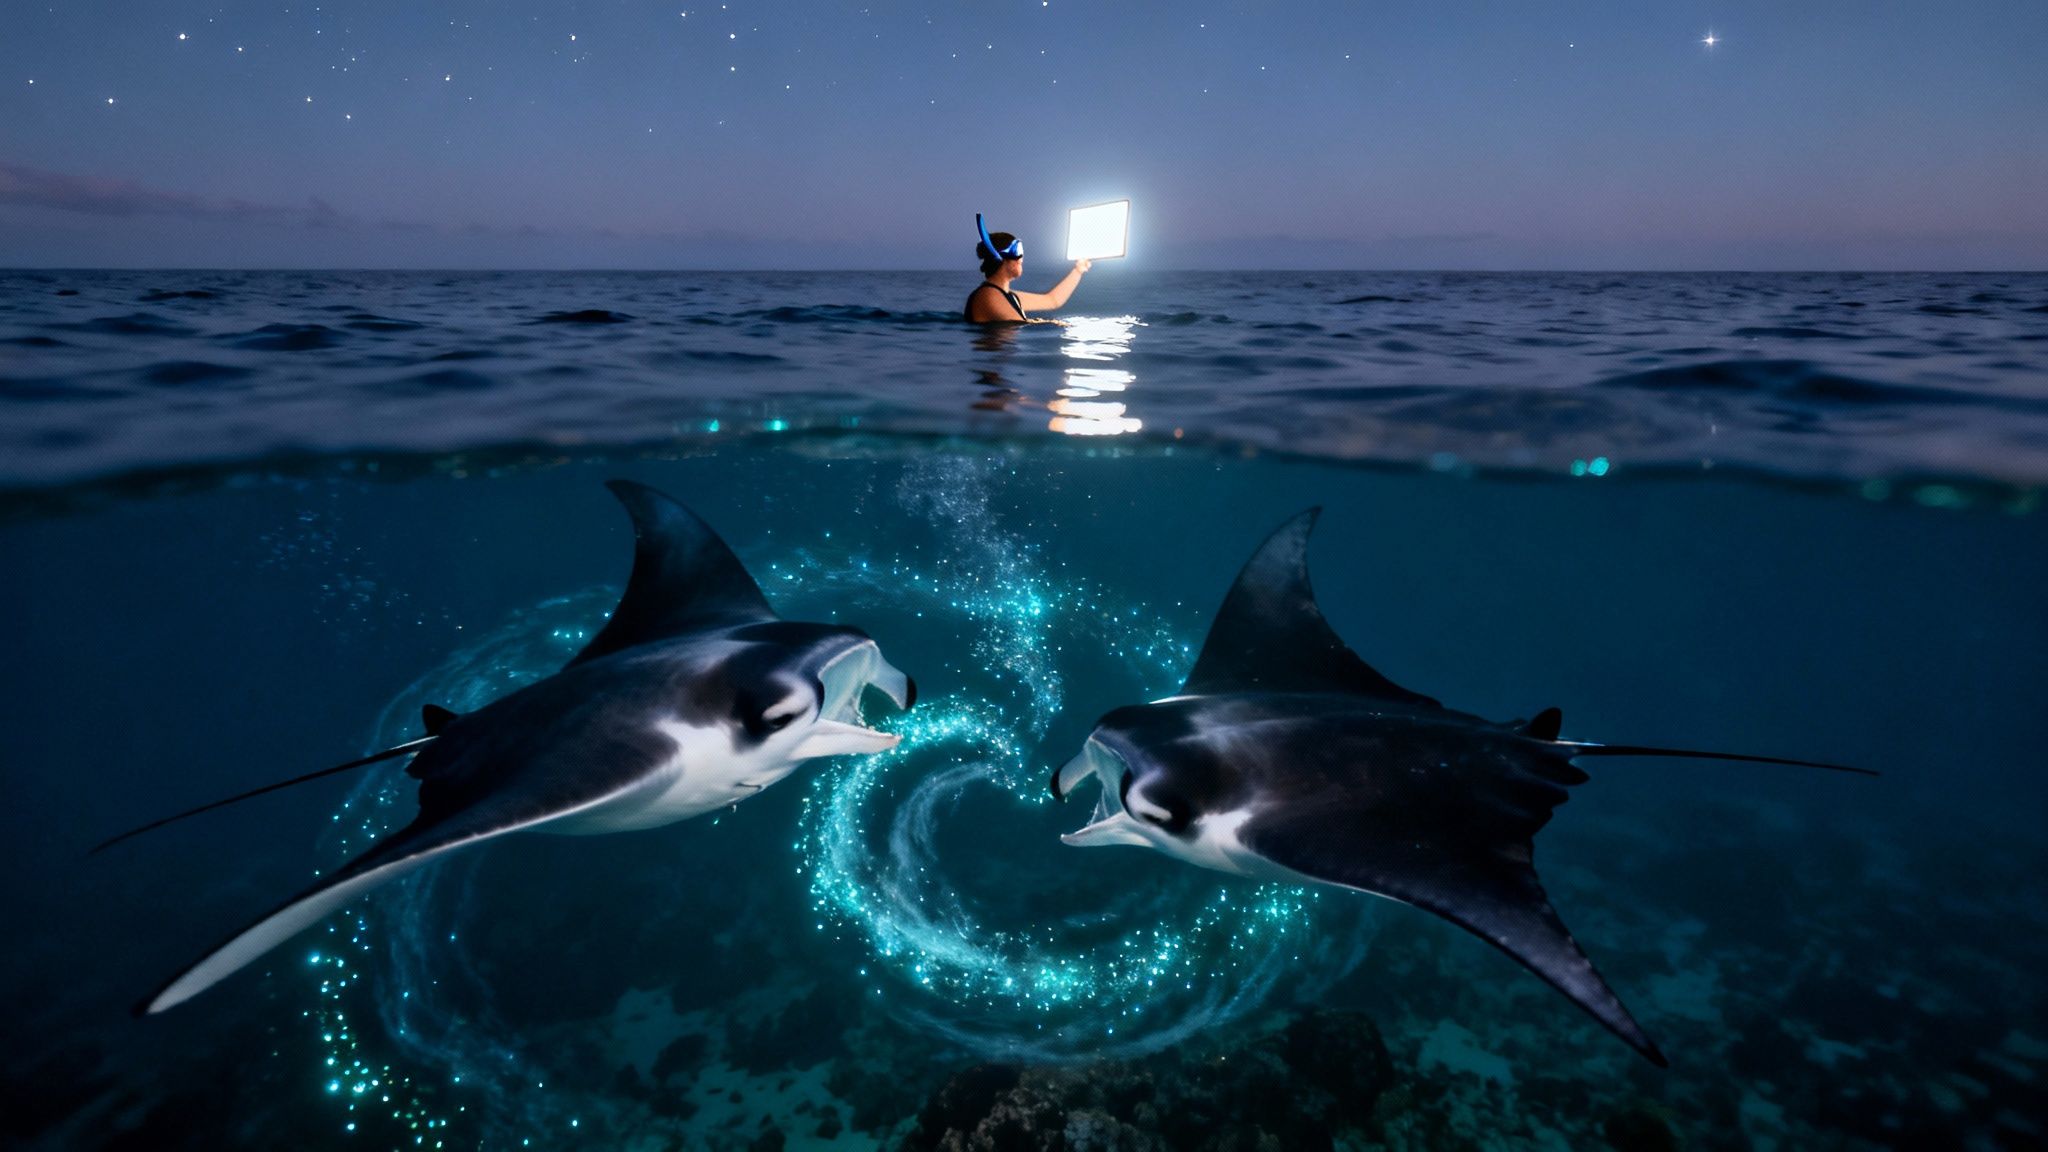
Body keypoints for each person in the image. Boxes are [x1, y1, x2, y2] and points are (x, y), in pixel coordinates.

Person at [965, 213, 1091, 323]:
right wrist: (1049, 323)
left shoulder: (1008, 296)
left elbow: (1053, 300)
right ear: (1000, 258)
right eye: (1017, 252)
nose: (1021, 258)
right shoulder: (989, 296)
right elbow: (1019, 324)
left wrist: (1078, 270)